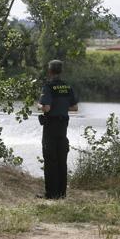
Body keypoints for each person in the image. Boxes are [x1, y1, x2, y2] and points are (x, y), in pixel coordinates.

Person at [37, 59, 78, 200]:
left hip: (51, 127)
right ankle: (61, 194)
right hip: (63, 128)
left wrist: (39, 105)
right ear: (61, 71)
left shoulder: (48, 87)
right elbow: (74, 108)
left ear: (49, 71)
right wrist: (61, 107)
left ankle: (51, 194)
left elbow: (46, 107)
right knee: (62, 159)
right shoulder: (67, 87)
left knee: (50, 160)